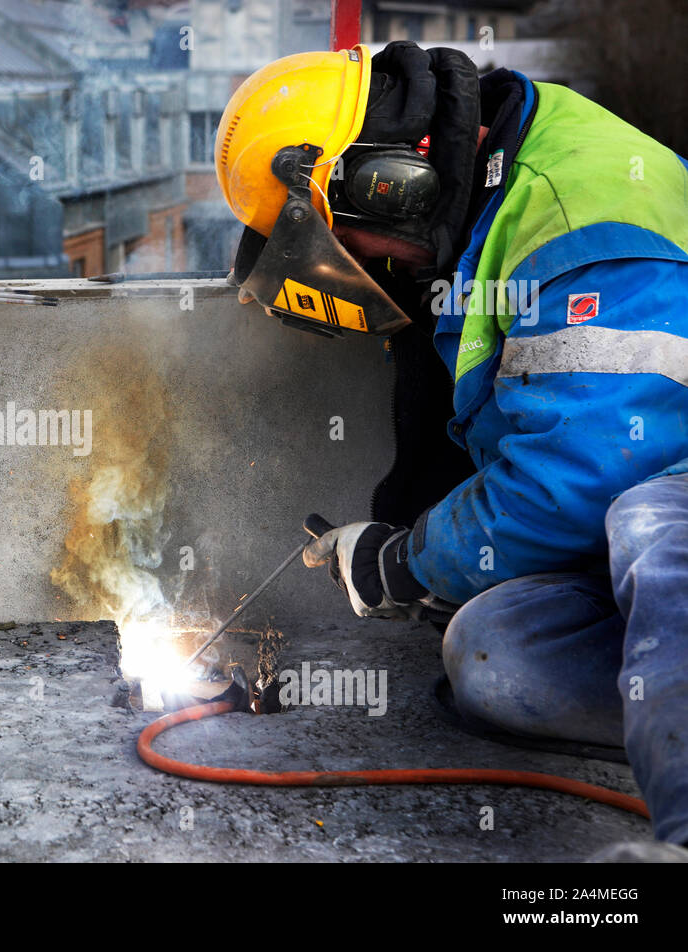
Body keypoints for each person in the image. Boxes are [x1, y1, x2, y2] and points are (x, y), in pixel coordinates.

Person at [216, 40, 688, 859]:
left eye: (358, 251)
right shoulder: (483, 197)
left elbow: (586, 473)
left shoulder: (582, 218)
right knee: (493, 657)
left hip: (664, 501)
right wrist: (440, 565)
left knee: (655, 530)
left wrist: (406, 562)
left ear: (397, 184)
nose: (370, 272)